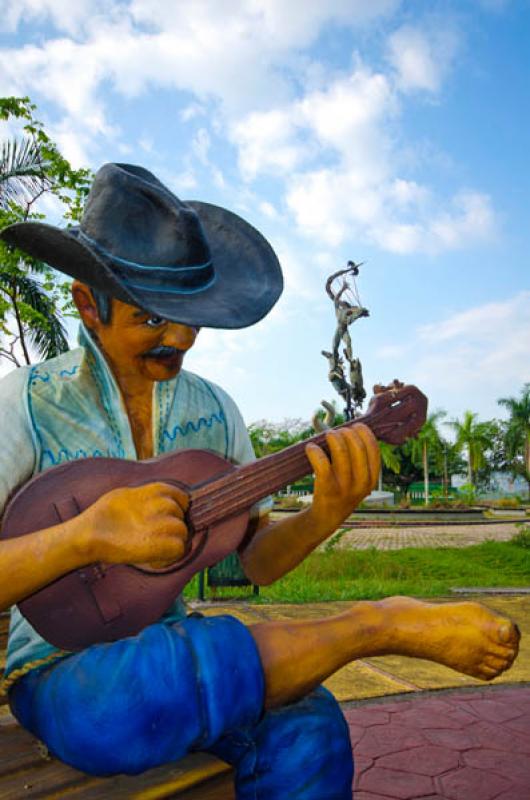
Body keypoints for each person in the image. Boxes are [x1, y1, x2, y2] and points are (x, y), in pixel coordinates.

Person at [0, 164, 520, 799]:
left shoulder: (214, 413)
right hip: (61, 671)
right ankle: (374, 625)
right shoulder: (24, 405)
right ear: (88, 304)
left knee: (310, 727)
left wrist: (326, 511)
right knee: (124, 703)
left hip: (182, 645)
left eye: (189, 316)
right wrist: (84, 538)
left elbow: (251, 565)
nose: (181, 337)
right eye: (153, 319)